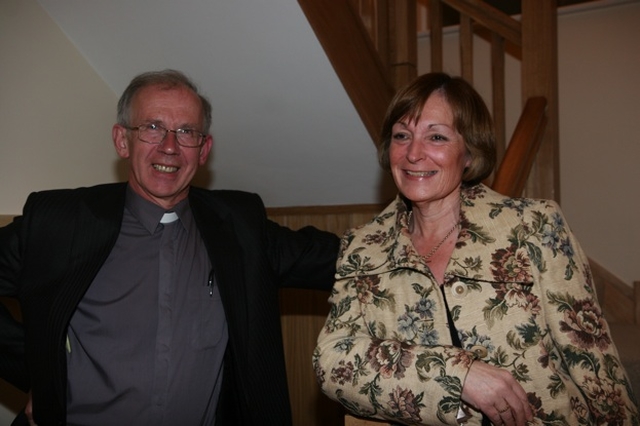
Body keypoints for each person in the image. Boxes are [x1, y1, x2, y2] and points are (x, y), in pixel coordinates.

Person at [0, 69, 340, 425]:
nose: (169, 147)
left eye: (186, 132)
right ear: (121, 140)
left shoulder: (240, 228)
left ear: (204, 149)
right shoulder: (59, 223)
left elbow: (339, 260)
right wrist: (40, 371)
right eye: (151, 127)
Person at [314, 72, 639, 425]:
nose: (413, 153)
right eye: (401, 136)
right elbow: (332, 361)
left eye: (436, 136)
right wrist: (457, 375)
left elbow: (596, 369)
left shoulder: (533, 227)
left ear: (469, 152)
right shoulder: (362, 248)